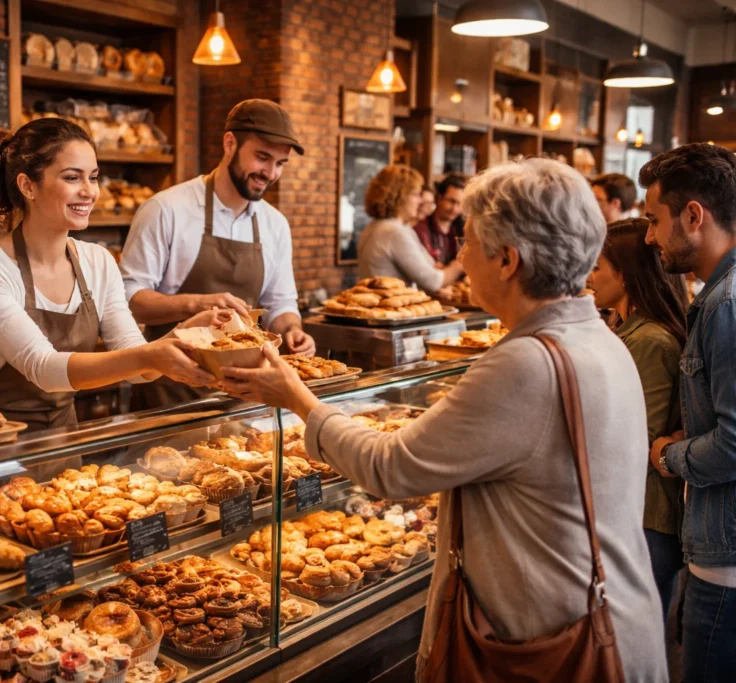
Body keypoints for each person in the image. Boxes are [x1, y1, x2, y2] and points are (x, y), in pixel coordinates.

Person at [222, 159, 667, 682]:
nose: (459, 256)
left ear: (507, 260)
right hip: (613, 616)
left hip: (549, 648)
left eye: (468, 242)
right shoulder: (601, 339)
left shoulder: (526, 363)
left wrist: (297, 397)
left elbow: (390, 468)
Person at [0, 118, 217, 432]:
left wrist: (183, 334)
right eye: (72, 177)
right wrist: (153, 355)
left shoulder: (98, 261)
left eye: (93, 178)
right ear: (28, 186)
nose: (89, 192)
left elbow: (134, 362)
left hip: (63, 441)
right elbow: (44, 369)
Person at [119, 99, 314, 357]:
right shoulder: (166, 209)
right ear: (230, 143)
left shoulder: (275, 224)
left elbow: (280, 303)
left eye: (280, 163)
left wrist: (292, 330)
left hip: (247, 386)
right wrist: (196, 304)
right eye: (262, 158)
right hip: (171, 385)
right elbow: (130, 301)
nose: (270, 173)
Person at [644, 143, 736, 683]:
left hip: (724, 563)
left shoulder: (724, 305)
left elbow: (733, 444)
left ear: (694, 216)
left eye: (655, 220)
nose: (650, 236)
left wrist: (668, 455)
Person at [587, 218, 687, 628]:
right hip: (635, 514)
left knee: (630, 646)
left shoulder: (649, 340)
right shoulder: (628, 329)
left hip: (645, 519)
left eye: (597, 267)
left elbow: (634, 441)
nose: (589, 277)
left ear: (625, 276)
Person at [357, 164, 463, 294]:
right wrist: (459, 264)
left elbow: (428, 268)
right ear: (400, 196)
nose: (420, 201)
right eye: (417, 194)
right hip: (392, 310)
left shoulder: (380, 226)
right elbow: (433, 281)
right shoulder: (394, 232)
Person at [413, 173, 465, 264]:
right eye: (451, 201)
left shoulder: (462, 230)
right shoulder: (421, 229)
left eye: (459, 204)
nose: (455, 208)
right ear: (439, 198)